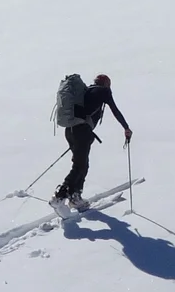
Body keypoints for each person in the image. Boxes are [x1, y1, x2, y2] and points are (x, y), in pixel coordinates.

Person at [53, 73, 130, 208]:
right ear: (106, 84)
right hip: (81, 131)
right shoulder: (104, 91)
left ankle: (75, 196)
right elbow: (115, 110)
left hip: (70, 130)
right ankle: (60, 196)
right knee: (80, 165)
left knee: (81, 164)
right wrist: (126, 128)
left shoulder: (86, 92)